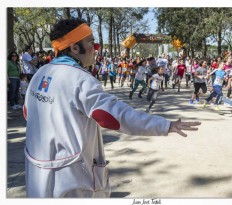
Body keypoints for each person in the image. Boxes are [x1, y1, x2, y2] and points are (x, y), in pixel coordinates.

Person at [23, 18, 201, 198]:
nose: (97, 47)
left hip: (37, 175)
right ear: (75, 48)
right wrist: (165, 125)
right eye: (91, 42)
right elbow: (114, 117)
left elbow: (27, 113)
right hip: (72, 181)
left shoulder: (40, 73)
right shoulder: (81, 80)